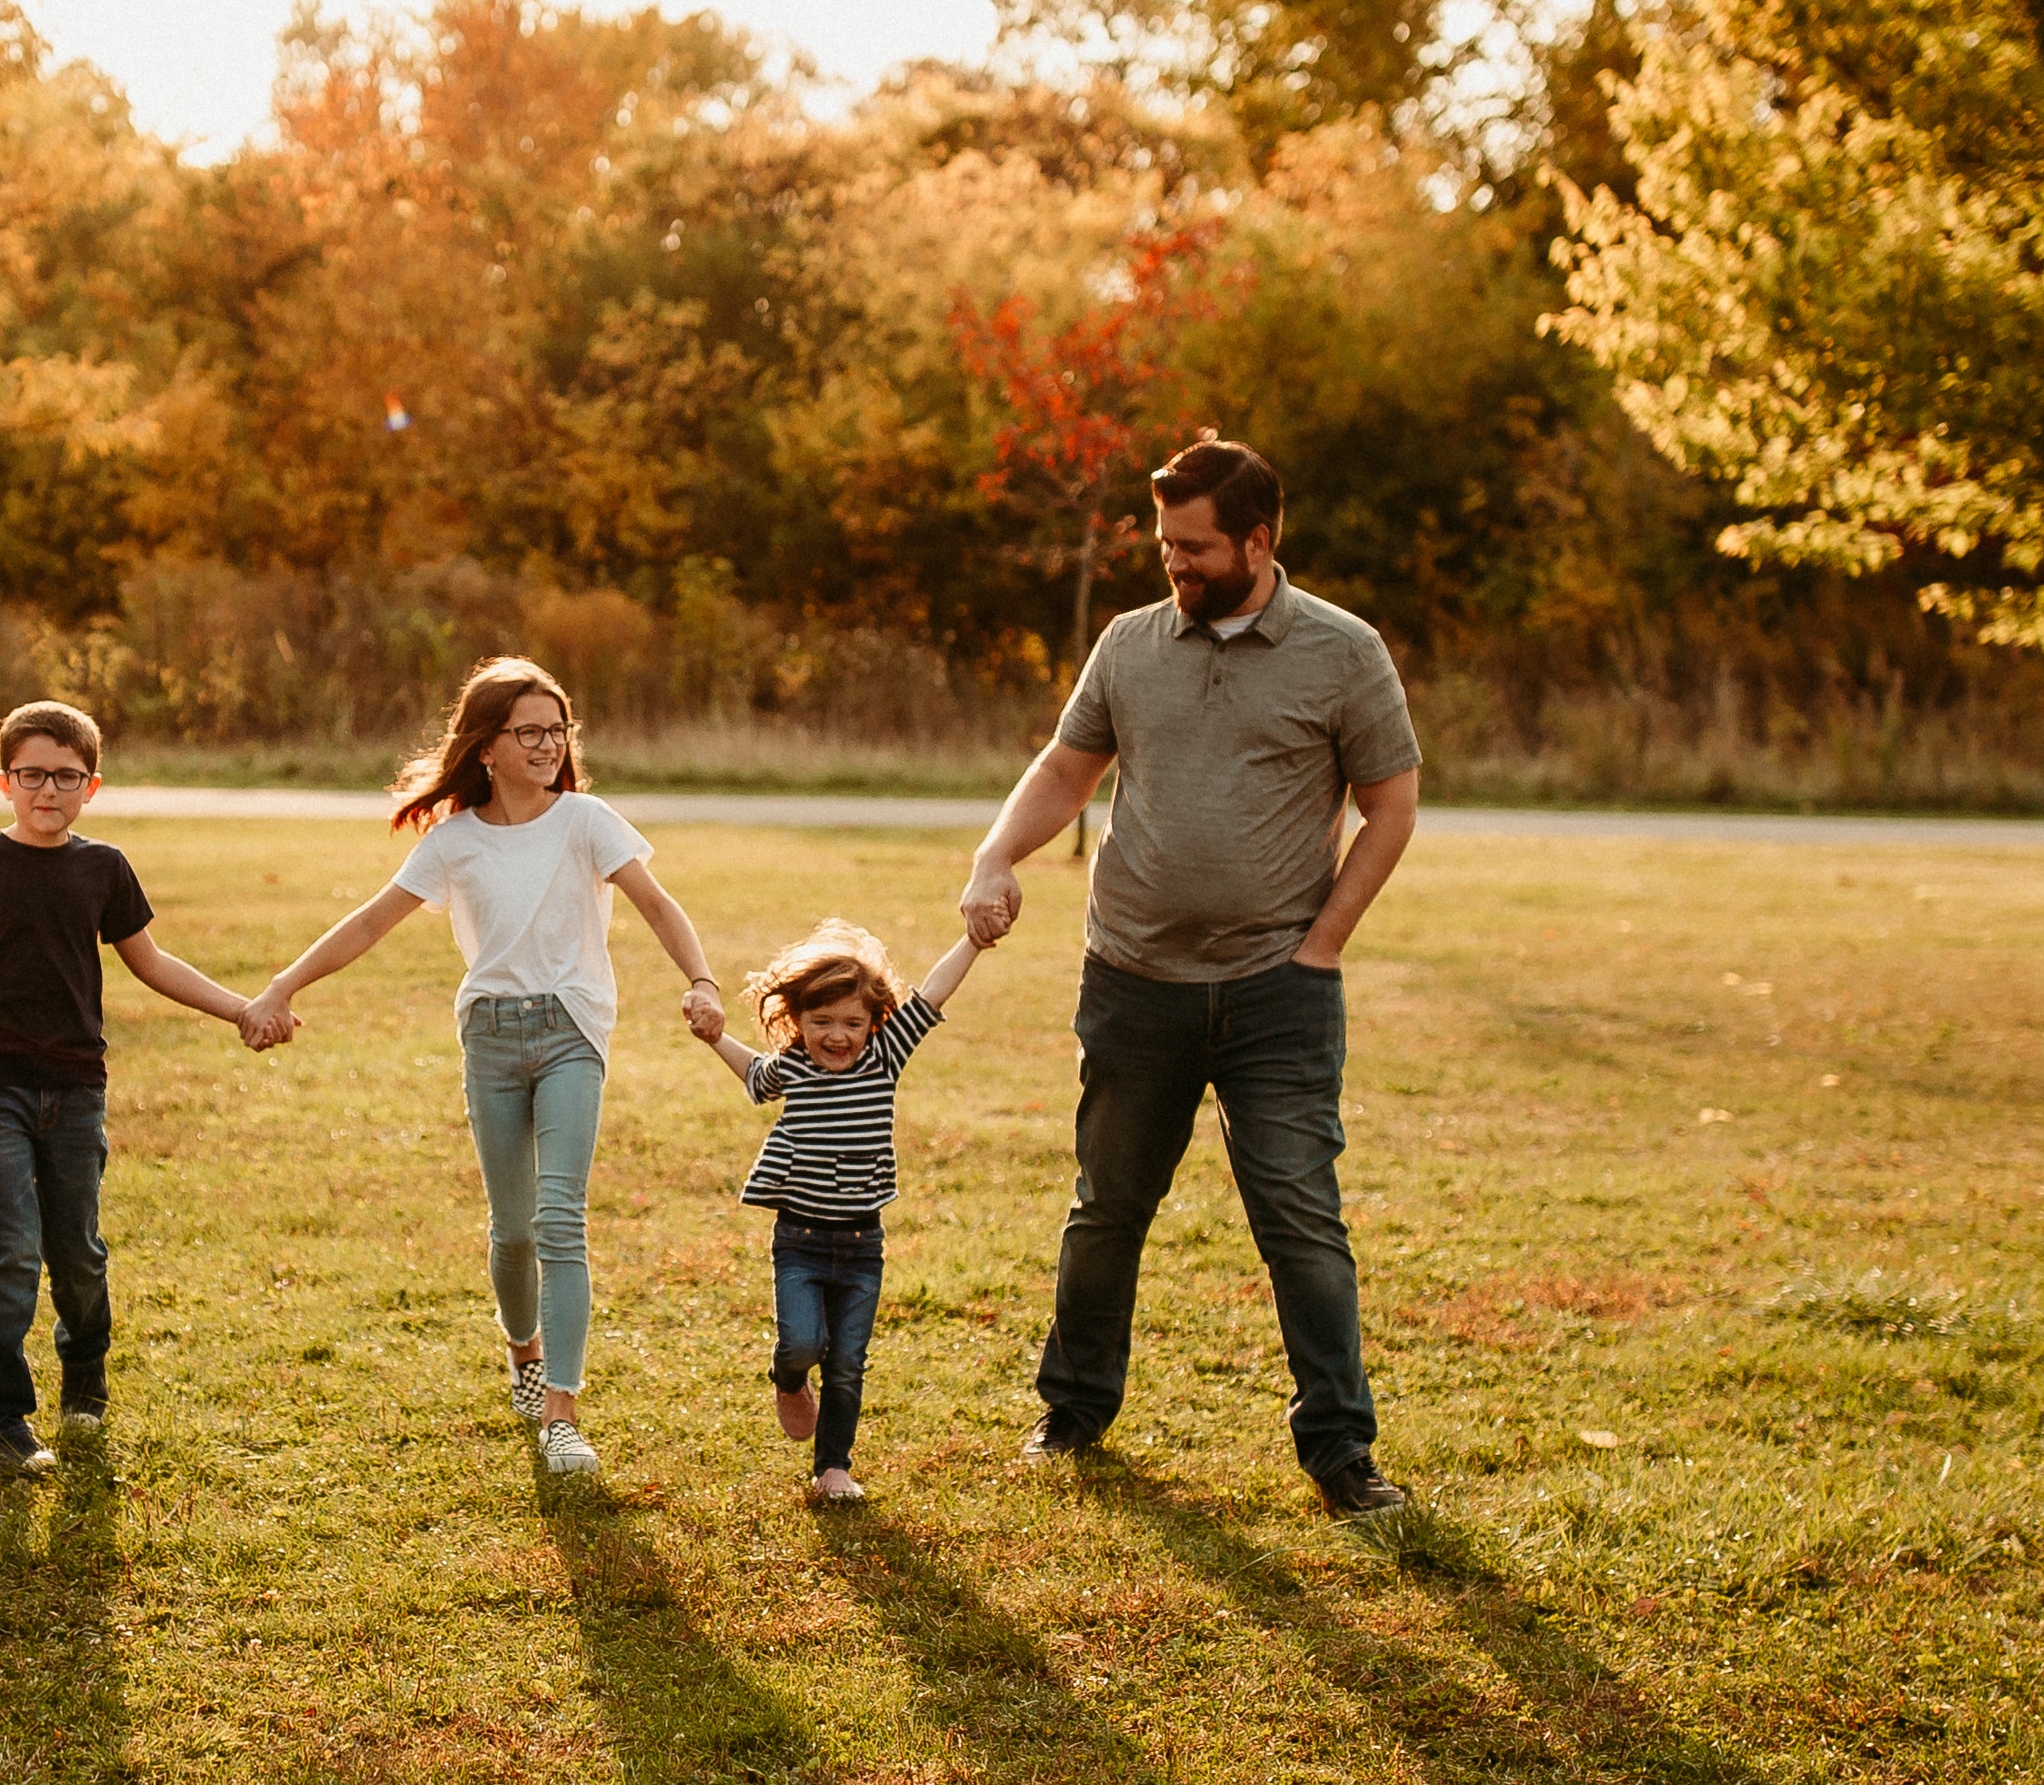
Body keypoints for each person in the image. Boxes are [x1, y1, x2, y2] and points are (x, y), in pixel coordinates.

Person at [958, 437, 1424, 1511]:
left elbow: (1389, 807)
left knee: (1299, 1216)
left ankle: (1341, 1452)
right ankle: (1071, 1413)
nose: (1176, 561)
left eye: (1197, 545)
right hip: (1132, 978)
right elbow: (1068, 768)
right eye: (1166, 542)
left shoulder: (1343, 652)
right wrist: (995, 854)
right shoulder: (1129, 644)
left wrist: (1324, 945)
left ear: (1259, 541)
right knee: (1106, 1206)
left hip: (1277, 991)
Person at [241, 656, 727, 1480]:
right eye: (528, 731)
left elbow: (656, 902)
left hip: (571, 1028)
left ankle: (562, 1413)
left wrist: (702, 979)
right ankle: (523, 1356)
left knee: (560, 1218)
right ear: (488, 746)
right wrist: (282, 986)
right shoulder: (454, 841)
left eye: (556, 730)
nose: (547, 744)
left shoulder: (586, 821)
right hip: (492, 1040)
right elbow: (369, 923)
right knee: (512, 1231)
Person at [0, 699, 261, 1474]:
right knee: (12, 1253)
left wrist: (240, 1008)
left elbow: (151, 962)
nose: (46, 790)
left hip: (75, 1083)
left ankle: (83, 1373)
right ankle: (3, 1419)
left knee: (77, 1253)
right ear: (3, 780)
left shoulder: (102, 867)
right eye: (31, 775)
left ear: (92, 785)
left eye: (65, 776)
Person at [683, 913, 994, 1504]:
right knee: (802, 1343)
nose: (837, 1035)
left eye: (853, 1022)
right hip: (798, 1239)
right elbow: (753, 1074)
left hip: (861, 1245)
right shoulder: (795, 1068)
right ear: (795, 1021)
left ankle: (833, 1468)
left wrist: (973, 941)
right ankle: (788, 1377)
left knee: (847, 1361)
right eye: (820, 1021)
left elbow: (931, 994)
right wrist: (712, 1035)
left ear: (875, 1023)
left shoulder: (884, 1058)